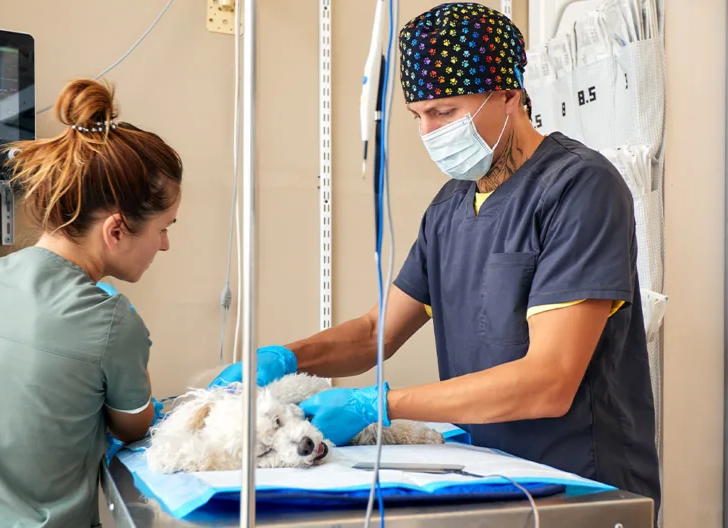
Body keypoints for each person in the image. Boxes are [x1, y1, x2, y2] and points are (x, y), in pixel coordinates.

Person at [209, 2, 660, 511]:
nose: (428, 132)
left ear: (509, 93)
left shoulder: (580, 188)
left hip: (581, 487)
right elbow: (375, 332)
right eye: (419, 115)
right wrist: (283, 359)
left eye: (445, 112)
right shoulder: (450, 206)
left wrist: (376, 405)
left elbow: (549, 381)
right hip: (491, 478)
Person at [0, 79, 182, 527]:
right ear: (117, 229)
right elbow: (134, 427)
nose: (164, 245)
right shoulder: (108, 319)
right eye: (164, 227)